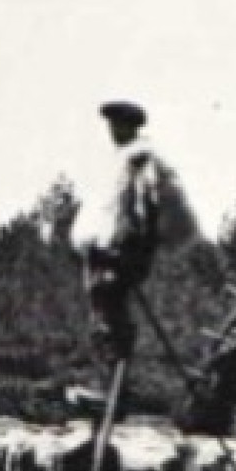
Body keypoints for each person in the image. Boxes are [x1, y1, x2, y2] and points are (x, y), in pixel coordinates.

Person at [44, 100, 193, 366]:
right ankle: (109, 339)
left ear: (130, 127)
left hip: (128, 246)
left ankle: (116, 341)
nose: (112, 131)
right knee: (100, 291)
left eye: (117, 126)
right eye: (111, 126)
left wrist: (131, 238)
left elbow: (145, 204)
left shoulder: (140, 158)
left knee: (108, 289)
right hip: (110, 245)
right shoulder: (117, 158)